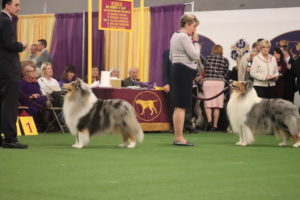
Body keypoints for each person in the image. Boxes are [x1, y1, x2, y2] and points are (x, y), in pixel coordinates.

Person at [0, 0, 28, 148]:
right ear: (7, 5)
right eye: (16, 5)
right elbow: (9, 45)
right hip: (9, 70)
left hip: (2, 69)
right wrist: (22, 45)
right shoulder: (6, 21)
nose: (19, 8)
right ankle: (11, 139)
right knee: (10, 105)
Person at [169, 14, 200, 146]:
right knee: (181, 107)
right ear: (187, 25)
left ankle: (178, 137)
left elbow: (171, 57)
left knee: (178, 107)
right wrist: (196, 42)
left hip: (177, 70)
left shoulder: (174, 36)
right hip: (183, 72)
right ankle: (180, 138)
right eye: (194, 27)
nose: (194, 30)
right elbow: (195, 55)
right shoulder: (184, 37)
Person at [203, 45, 229, 131]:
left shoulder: (207, 58)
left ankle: (209, 121)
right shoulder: (225, 60)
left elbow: (204, 70)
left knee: (208, 104)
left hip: (208, 82)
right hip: (219, 83)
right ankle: (215, 126)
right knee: (217, 105)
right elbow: (226, 73)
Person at [19, 64, 47, 130]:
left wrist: (38, 95)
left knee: (45, 98)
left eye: (33, 71)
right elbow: (20, 96)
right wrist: (31, 96)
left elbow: (39, 93)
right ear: (26, 73)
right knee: (45, 101)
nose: (33, 72)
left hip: (37, 100)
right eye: (30, 71)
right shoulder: (22, 83)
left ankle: (45, 123)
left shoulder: (36, 83)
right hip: (27, 101)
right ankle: (44, 123)